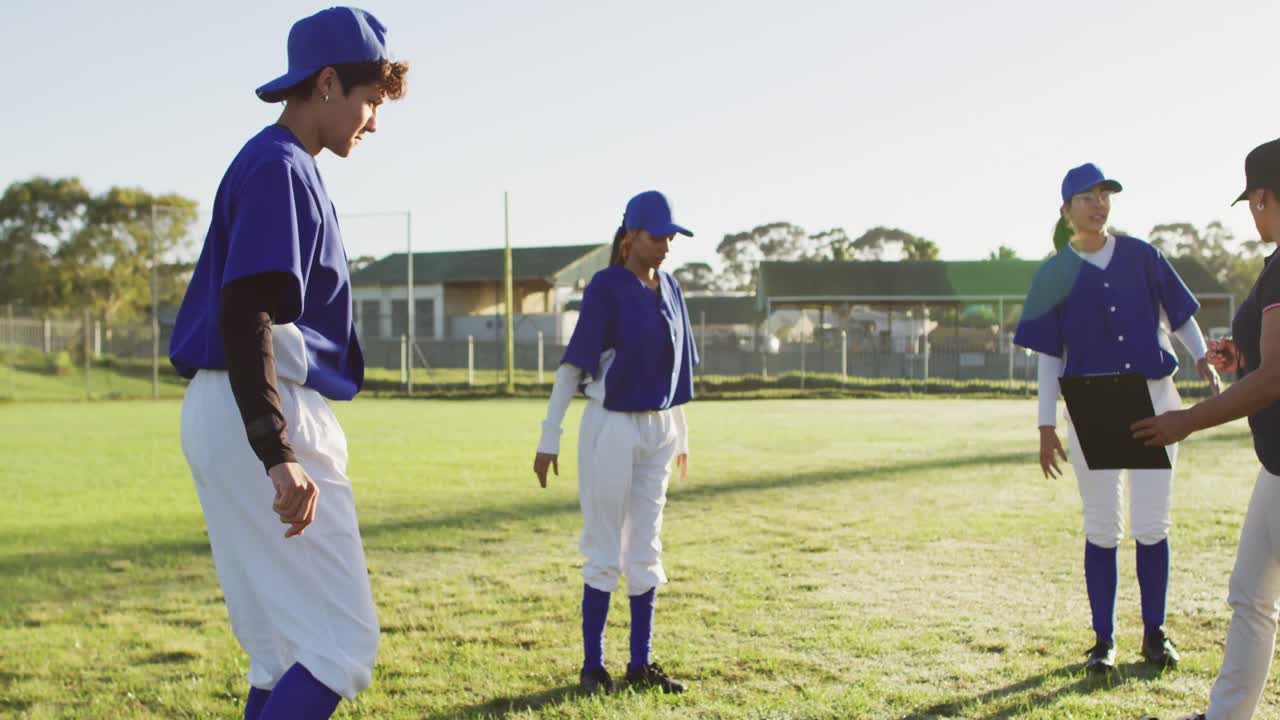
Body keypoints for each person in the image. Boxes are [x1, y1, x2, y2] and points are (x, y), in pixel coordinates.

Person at [167, 8, 407, 718]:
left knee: (282, 650)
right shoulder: (279, 168)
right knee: (340, 646)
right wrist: (278, 451)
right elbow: (246, 316)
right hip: (264, 407)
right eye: (368, 101)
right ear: (327, 83)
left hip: (228, 405)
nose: (373, 121)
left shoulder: (275, 163)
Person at [1014, 162, 1219, 674]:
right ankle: (1103, 643)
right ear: (1066, 211)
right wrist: (1045, 425)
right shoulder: (1053, 273)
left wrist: (1200, 358)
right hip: (1091, 404)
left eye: (1104, 194)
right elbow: (1048, 356)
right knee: (1103, 526)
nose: (1098, 203)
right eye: (1086, 196)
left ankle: (1155, 635)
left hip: (1154, 397)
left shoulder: (1142, 256)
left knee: (1153, 524)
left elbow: (1180, 317)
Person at [1136, 137, 1280, 720]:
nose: (1252, 212)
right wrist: (1238, 355)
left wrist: (1186, 420)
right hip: (1276, 467)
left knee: (1253, 599)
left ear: (1265, 196)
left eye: (1253, 200)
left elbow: (1275, 379)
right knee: (1251, 597)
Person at [533, 190, 697, 695]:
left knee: (646, 548)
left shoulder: (669, 286)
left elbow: (675, 371)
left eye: (672, 235)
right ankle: (593, 666)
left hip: (658, 429)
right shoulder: (606, 285)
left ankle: (640, 664)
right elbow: (574, 364)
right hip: (611, 426)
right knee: (604, 547)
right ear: (630, 238)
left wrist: (682, 434)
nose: (667, 244)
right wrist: (549, 435)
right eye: (657, 235)